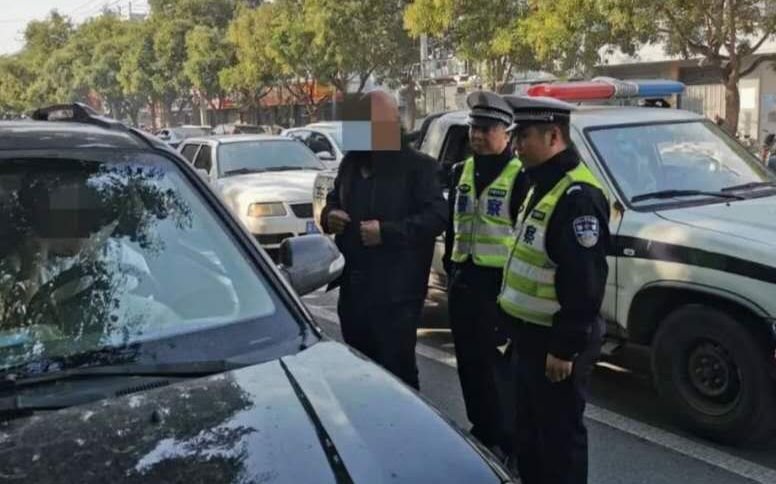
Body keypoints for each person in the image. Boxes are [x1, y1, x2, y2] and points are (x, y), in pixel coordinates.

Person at [498, 95, 610, 484]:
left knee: (559, 440)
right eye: (515, 137)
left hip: (553, 343)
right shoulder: (541, 183)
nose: (516, 146)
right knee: (529, 433)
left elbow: (584, 281)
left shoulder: (577, 196)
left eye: (524, 136)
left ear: (553, 136)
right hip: (528, 338)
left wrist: (565, 347)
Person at [320, 91, 448, 390]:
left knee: (397, 376)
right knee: (360, 372)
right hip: (354, 291)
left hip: (396, 295)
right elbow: (334, 199)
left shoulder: (419, 167)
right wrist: (330, 215)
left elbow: (437, 217)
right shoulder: (351, 164)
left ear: (392, 123)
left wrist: (387, 232)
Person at [443, 91, 528, 457]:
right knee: (469, 362)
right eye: (474, 128)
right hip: (463, 282)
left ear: (506, 133)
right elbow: (453, 226)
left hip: (499, 289)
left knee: (499, 369)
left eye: (486, 129)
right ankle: (482, 430)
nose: (477, 135)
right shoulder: (460, 171)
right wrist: (451, 268)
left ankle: (507, 441)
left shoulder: (520, 176)